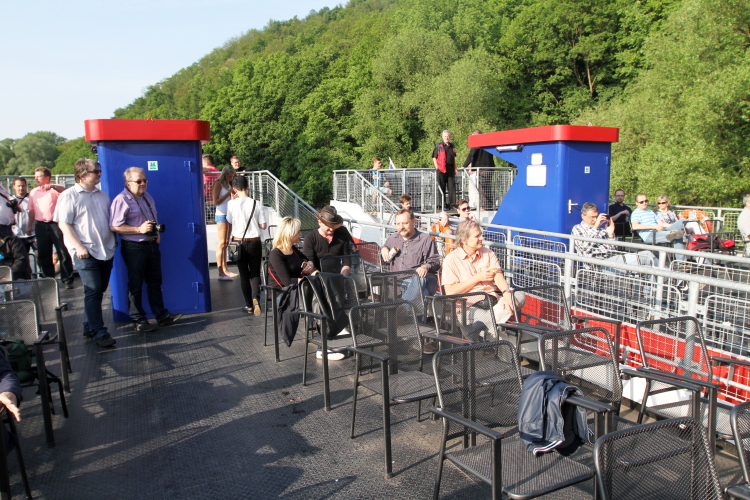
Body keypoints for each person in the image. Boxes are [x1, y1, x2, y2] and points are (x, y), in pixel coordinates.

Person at [54, 159, 117, 348]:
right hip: (85, 253)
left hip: (105, 250)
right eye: (95, 171)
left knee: (98, 290)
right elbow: (63, 224)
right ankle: (99, 332)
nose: (99, 174)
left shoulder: (103, 196)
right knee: (93, 289)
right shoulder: (69, 196)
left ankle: (88, 325)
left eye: (99, 170)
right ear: (82, 174)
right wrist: (79, 247)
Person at [109, 167, 182, 332]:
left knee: (155, 282)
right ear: (128, 183)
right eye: (139, 181)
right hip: (134, 247)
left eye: (145, 181)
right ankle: (139, 320)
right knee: (135, 284)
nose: (143, 184)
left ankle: (161, 316)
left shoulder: (147, 197)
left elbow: (153, 219)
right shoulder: (121, 200)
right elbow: (114, 226)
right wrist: (138, 229)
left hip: (151, 245)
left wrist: (156, 234)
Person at [441, 220, 526, 328]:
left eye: (481, 234)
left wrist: (506, 294)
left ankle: (484, 325)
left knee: (519, 295)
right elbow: (450, 292)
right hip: (468, 306)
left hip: (492, 301)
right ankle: (494, 324)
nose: (482, 238)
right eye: (477, 236)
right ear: (464, 239)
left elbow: (499, 277)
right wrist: (477, 278)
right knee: (486, 317)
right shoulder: (451, 259)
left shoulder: (488, 253)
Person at [226, 175, 267, 315]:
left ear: (234, 189)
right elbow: (263, 225)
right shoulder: (257, 203)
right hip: (255, 241)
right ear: (248, 187)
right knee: (255, 272)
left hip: (238, 242)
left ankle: (249, 305)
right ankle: (256, 297)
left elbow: (229, 220)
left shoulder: (231, 204)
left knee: (244, 274)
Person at [571, 203, 654, 271]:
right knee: (647, 256)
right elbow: (585, 247)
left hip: (612, 261)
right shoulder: (578, 228)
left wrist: (611, 235)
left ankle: (655, 286)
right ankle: (661, 281)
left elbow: (613, 249)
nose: (595, 220)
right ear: (583, 216)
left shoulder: (601, 230)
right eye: (592, 217)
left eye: (596, 217)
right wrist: (595, 227)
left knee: (648, 266)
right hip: (598, 265)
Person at [28, 167, 74, 288]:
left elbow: (66, 193)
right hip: (41, 225)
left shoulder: (55, 189)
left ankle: (67, 279)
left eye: (39, 176)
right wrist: (29, 225)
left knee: (63, 251)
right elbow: (31, 210)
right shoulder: (33, 192)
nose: (36, 179)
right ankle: (48, 279)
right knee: (44, 253)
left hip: (56, 224)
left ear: (47, 177)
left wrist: (53, 186)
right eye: (35, 176)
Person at [303, 206, 354, 275]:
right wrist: (321, 278)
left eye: (334, 226)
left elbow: (347, 261)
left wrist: (342, 277)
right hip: (316, 276)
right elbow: (310, 263)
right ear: (320, 222)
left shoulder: (342, 236)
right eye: (329, 226)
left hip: (337, 275)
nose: (332, 229)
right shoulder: (310, 238)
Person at [631, 193, 686, 258]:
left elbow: (661, 223)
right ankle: (682, 261)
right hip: (650, 235)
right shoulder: (636, 213)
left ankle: (689, 235)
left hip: (660, 231)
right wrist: (654, 227)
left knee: (682, 221)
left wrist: (673, 226)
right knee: (677, 235)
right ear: (637, 203)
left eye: (646, 201)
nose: (644, 203)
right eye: (641, 202)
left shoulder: (650, 211)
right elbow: (634, 226)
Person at [268, 217, 314, 288]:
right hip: (283, 292)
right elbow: (287, 282)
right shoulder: (276, 254)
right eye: (298, 232)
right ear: (290, 234)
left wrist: (310, 263)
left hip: (298, 289)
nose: (301, 234)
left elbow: (306, 259)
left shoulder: (292, 249)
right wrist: (308, 281)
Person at [212, 166, 237, 281]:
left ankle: (225, 269)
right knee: (222, 243)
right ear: (225, 174)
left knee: (226, 242)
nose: (231, 178)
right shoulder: (218, 183)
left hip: (229, 214)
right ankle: (220, 272)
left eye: (232, 176)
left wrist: (234, 196)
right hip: (221, 214)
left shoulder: (229, 184)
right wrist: (229, 193)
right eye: (229, 176)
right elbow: (216, 202)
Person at [462, 129, 495, 210]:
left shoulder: (477, 143)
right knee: (487, 187)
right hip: (490, 168)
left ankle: (485, 207)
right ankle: (490, 205)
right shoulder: (488, 143)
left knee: (482, 187)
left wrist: (464, 166)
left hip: (482, 169)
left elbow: (471, 155)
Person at [433, 130, 457, 209]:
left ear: (450, 137)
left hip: (450, 169)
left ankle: (452, 204)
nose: (446, 138)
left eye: (448, 136)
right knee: (441, 187)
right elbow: (434, 157)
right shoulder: (438, 146)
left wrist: (455, 168)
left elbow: (453, 158)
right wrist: (437, 167)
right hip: (441, 169)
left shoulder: (452, 146)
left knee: (452, 187)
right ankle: (443, 204)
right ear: (443, 137)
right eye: (445, 136)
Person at [10, 178, 34, 251]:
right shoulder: (10, 200)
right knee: (22, 256)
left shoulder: (32, 198)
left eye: (23, 186)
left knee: (40, 255)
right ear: (14, 187)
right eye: (19, 186)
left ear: (26, 186)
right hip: (17, 234)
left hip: (33, 234)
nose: (21, 188)